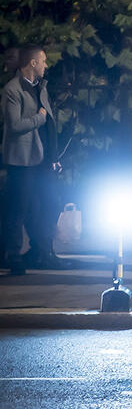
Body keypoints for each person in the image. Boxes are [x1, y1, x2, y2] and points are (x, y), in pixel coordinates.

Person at [2, 45, 62, 274]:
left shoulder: (41, 87)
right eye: (43, 61)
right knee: (19, 208)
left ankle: (42, 252)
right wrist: (39, 119)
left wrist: (53, 156)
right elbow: (14, 125)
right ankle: (13, 257)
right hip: (22, 160)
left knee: (49, 203)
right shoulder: (13, 89)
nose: (46, 65)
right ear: (33, 63)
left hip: (43, 159)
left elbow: (50, 124)